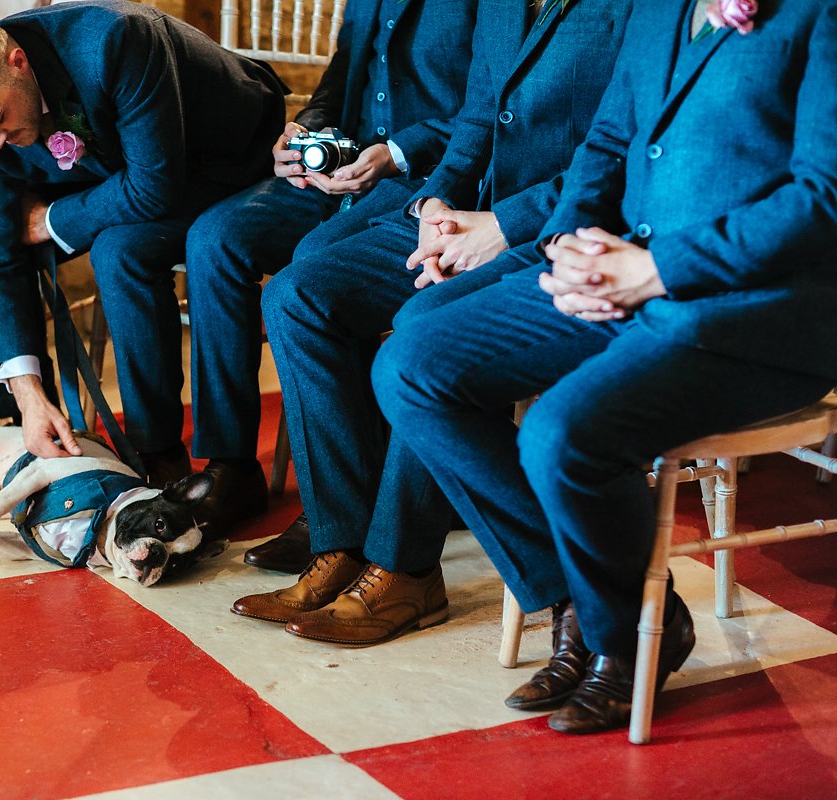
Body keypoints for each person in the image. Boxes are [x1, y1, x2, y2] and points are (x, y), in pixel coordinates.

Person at [372, 0, 837, 733]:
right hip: (618, 272)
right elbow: (610, 137)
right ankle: (581, 602)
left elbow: (825, 199)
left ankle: (621, 644)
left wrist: (658, 271)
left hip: (754, 313)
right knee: (412, 364)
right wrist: (567, 249)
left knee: (558, 432)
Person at [231, 0, 632, 648]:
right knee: (297, 297)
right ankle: (340, 545)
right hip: (467, 211)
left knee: (424, 329)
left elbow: (615, 151)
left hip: (555, 227)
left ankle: (404, 567)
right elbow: (478, 116)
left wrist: (504, 230)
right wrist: (434, 203)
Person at [0, 3, 287, 487]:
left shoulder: (116, 40)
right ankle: (157, 456)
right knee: (115, 252)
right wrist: (28, 395)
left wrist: (52, 220)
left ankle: (230, 470)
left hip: (231, 162)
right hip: (132, 176)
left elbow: (153, 187)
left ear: (18, 61)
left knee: (143, 248)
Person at [182, 0, 476, 535]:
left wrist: (398, 151)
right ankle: (231, 466)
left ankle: (351, 494)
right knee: (214, 237)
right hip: (344, 163)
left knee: (317, 265)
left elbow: (489, 104)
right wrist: (304, 132)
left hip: (426, 176)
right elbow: (343, 73)